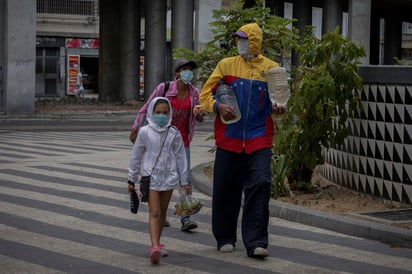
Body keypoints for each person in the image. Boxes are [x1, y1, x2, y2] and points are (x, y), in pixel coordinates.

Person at [199, 22, 286, 258]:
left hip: (260, 138)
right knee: (226, 189)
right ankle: (225, 237)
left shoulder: (272, 69)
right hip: (229, 138)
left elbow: (277, 100)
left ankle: (256, 241)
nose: (240, 44)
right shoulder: (225, 65)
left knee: (260, 185)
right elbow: (205, 94)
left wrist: (279, 109)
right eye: (238, 39)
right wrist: (218, 106)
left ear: (255, 42)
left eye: (244, 39)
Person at [129, 59, 204, 232]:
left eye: (190, 70)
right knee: (160, 174)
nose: (188, 73)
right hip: (160, 138)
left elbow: (198, 117)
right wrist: (135, 128)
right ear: (177, 72)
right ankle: (161, 215)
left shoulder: (194, 93)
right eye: (184, 69)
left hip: (182, 139)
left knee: (185, 177)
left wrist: (200, 114)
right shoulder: (164, 88)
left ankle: (186, 216)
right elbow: (147, 107)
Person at [127, 97, 191, 265]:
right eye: (158, 112)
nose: (161, 115)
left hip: (169, 177)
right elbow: (136, 156)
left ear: (169, 113)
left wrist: (185, 181)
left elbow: (181, 157)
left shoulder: (174, 133)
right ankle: (154, 246)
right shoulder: (145, 132)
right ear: (151, 113)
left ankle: (158, 241)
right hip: (151, 177)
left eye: (165, 112)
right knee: (154, 212)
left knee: (162, 212)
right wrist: (131, 179)